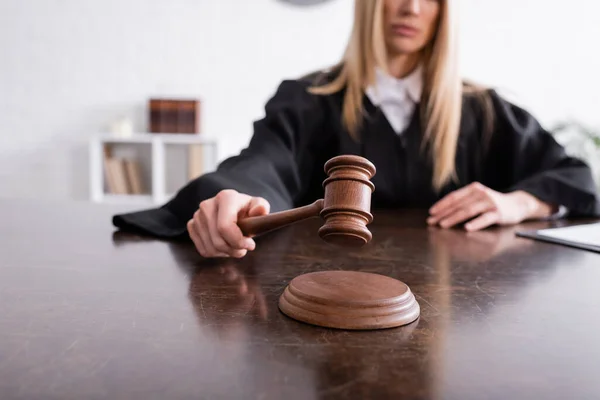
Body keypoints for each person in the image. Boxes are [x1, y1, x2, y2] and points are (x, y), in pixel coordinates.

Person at [113, 0, 600, 258]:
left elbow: (574, 176)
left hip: (451, 298)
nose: (410, 6)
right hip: (317, 293)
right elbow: (265, 163)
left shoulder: (485, 112)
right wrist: (235, 197)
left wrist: (517, 201)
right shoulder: (309, 99)